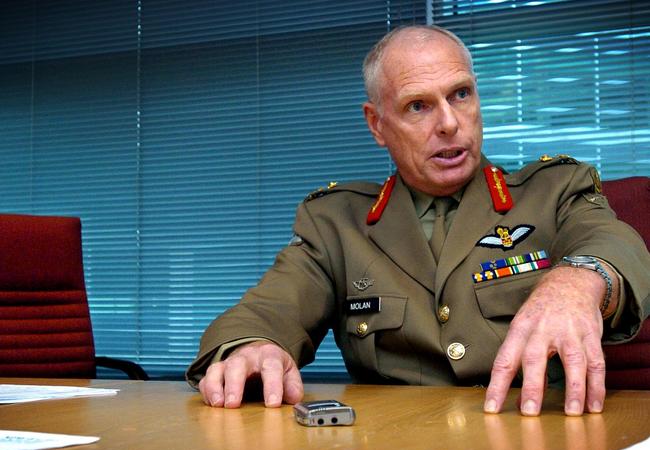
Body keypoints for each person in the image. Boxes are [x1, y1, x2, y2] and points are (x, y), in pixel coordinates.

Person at [186, 25, 650, 416]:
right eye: (418, 106)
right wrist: (250, 347)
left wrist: (579, 281)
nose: (449, 123)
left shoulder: (554, 189)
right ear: (377, 125)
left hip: (536, 432)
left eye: (460, 94)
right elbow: (268, 311)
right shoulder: (336, 223)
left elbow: (613, 242)